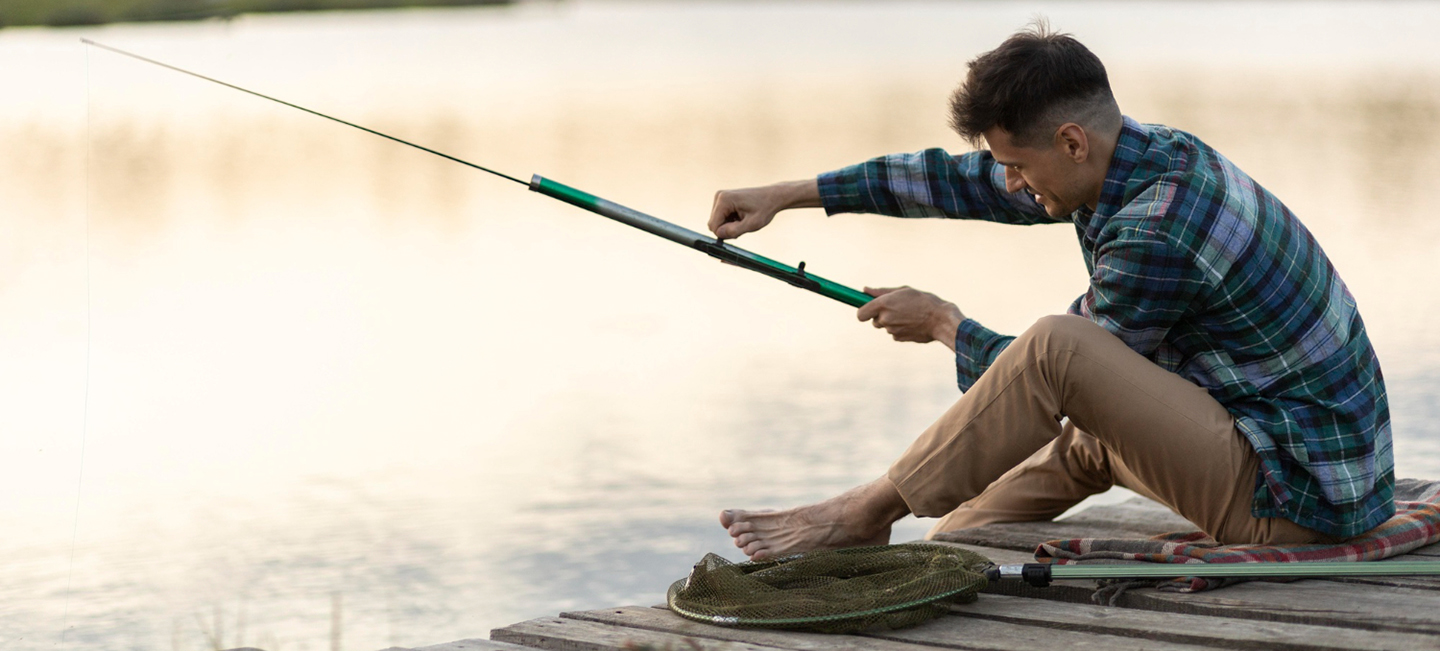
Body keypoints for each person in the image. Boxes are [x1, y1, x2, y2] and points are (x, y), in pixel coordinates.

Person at [708, 23, 1394, 561]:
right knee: (1060, 459)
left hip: (1296, 499)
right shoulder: (1136, 156)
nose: (1008, 181)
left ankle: (860, 514)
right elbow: (957, 181)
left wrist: (945, 323)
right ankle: (938, 547)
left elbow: (1057, 373)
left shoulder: (1157, 228)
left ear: (1070, 142)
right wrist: (789, 194)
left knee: (1060, 345)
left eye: (1016, 165)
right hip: (1280, 453)